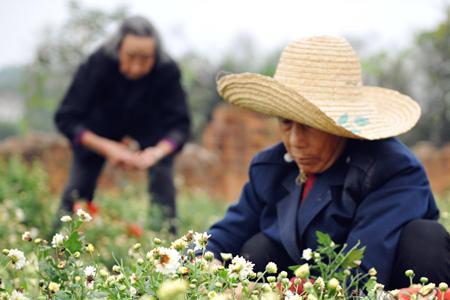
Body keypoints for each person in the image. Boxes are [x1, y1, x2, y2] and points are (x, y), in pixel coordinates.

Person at [206, 36, 450, 289]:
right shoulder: (272, 167)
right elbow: (228, 232)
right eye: (286, 123)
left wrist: (284, 293)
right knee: (258, 247)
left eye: (309, 126)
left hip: (380, 287)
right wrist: (200, 261)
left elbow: (362, 271)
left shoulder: (392, 169)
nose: (295, 141)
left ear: (338, 127)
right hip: (304, 286)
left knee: (424, 238)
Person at [54, 16, 190, 234]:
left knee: (164, 192)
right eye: (130, 57)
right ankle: (59, 244)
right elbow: (66, 118)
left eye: (146, 59)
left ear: (156, 55)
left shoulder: (167, 71)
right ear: (118, 49)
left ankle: (166, 245)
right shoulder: (97, 64)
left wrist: (155, 153)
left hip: (151, 139)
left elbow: (180, 126)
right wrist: (107, 148)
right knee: (76, 194)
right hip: (98, 135)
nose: (136, 67)